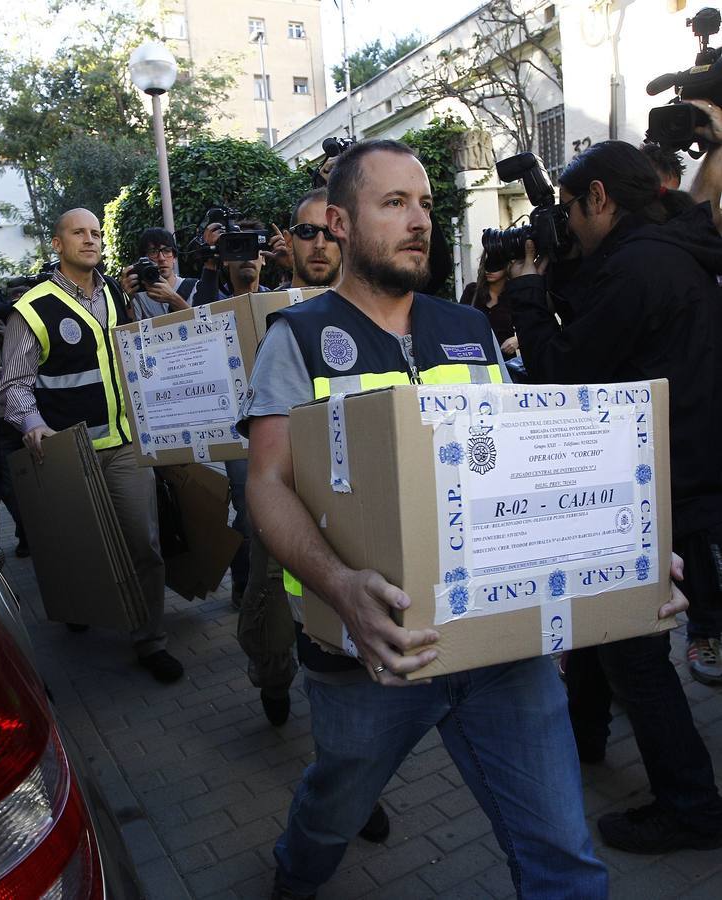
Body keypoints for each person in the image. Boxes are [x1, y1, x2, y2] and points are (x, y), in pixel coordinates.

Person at [240, 139, 611, 899]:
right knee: (332, 812)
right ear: (340, 223)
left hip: (497, 648)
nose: (420, 222)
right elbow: (269, 486)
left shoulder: (470, 328)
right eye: (394, 203)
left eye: (427, 205)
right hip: (367, 660)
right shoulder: (297, 339)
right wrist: (342, 586)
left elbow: (525, 460)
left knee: (566, 863)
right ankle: (295, 873)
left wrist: (604, 556)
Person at [507, 139, 722, 854]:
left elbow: (564, 369)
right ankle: (584, 736)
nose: (565, 223)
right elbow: (607, 322)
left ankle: (691, 803)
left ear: (599, 198)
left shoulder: (641, 266)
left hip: (651, 484)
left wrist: (530, 288)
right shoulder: (666, 252)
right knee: (599, 621)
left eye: (569, 209)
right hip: (676, 470)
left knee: (633, 650)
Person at [0, 208, 183, 683]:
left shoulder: (121, 298)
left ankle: (149, 640)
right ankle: (78, 606)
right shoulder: (32, 308)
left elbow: (142, 357)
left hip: (124, 447)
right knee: (79, 548)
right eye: (78, 233)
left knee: (144, 544)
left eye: (96, 233)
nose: (90, 239)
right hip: (68, 453)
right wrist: (33, 424)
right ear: (57, 245)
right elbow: (14, 385)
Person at [238, 187, 341, 730]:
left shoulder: (374, 314)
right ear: (288, 240)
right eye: (307, 232)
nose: (320, 243)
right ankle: (273, 678)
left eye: (331, 230)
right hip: (279, 489)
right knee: (271, 602)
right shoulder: (266, 315)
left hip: (346, 500)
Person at [120, 228, 198, 320]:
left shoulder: (195, 287)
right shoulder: (138, 295)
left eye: (167, 251)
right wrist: (126, 297)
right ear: (143, 260)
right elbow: (131, 329)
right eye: (153, 252)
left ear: (174, 257)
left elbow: (205, 325)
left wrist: (172, 298)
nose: (161, 258)